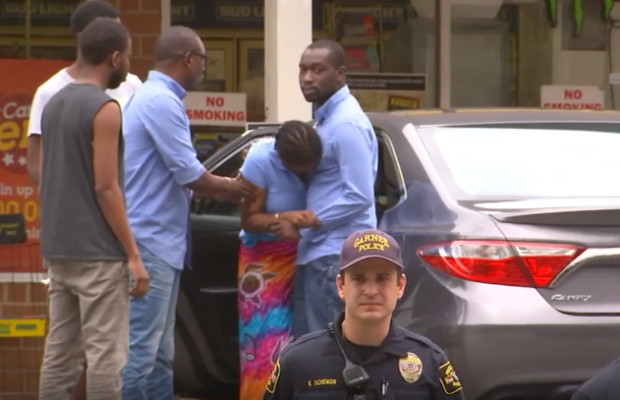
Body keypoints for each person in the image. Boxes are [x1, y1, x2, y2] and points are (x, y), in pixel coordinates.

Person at [121, 26, 254, 400]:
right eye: (204, 60)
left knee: (162, 355)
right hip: (151, 242)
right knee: (142, 353)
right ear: (188, 59)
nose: (204, 68)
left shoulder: (151, 97)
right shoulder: (160, 101)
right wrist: (240, 187)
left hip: (158, 242)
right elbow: (191, 175)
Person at [37, 18, 149, 400]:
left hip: (58, 248)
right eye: (128, 56)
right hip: (98, 253)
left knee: (60, 352)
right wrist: (133, 255)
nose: (128, 64)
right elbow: (106, 187)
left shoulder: (53, 104)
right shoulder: (106, 108)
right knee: (106, 355)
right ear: (114, 56)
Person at [263, 229, 466, 400]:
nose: (370, 290)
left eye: (382, 278)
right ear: (341, 286)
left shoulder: (430, 363)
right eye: (359, 279)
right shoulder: (298, 362)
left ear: (400, 286)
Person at [293, 39, 378, 337]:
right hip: (317, 252)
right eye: (303, 70)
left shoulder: (346, 124)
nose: (307, 78)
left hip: (334, 254)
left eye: (317, 70)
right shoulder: (326, 121)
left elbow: (359, 195)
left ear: (339, 74)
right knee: (313, 351)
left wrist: (311, 220)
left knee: (329, 355)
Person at [237, 120, 322, 400]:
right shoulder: (261, 159)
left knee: (303, 342)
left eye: (311, 167)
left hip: (308, 255)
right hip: (265, 261)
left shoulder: (321, 159)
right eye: (298, 169)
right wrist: (285, 218)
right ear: (281, 158)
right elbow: (249, 220)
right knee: (265, 343)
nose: (306, 173)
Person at [27, 0, 142, 185]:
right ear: (83, 38)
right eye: (109, 31)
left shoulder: (132, 84)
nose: (119, 38)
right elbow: (36, 164)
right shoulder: (50, 92)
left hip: (129, 204)